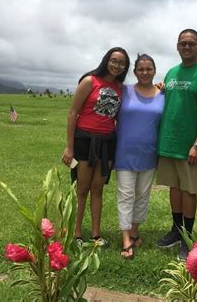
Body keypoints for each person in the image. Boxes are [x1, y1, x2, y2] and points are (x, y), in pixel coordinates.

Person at [156, 29, 197, 259]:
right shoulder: (172, 72)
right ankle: (176, 229)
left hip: (191, 145)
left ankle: (187, 237)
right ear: (177, 46)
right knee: (174, 188)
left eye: (191, 43)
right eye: (183, 43)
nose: (187, 47)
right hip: (168, 142)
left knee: (189, 190)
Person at [62, 47, 130, 247]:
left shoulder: (120, 87)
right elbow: (73, 113)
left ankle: (95, 235)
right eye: (113, 60)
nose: (117, 65)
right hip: (84, 140)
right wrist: (69, 147)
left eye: (121, 63)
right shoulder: (90, 81)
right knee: (82, 189)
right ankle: (76, 234)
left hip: (107, 141)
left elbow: (118, 116)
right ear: (106, 60)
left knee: (98, 189)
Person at [114, 54, 164, 259]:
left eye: (148, 68)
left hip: (149, 154)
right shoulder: (124, 91)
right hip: (125, 152)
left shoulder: (163, 94)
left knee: (142, 196)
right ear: (134, 72)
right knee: (126, 195)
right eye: (140, 69)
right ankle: (125, 239)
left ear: (154, 70)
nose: (145, 72)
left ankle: (134, 231)